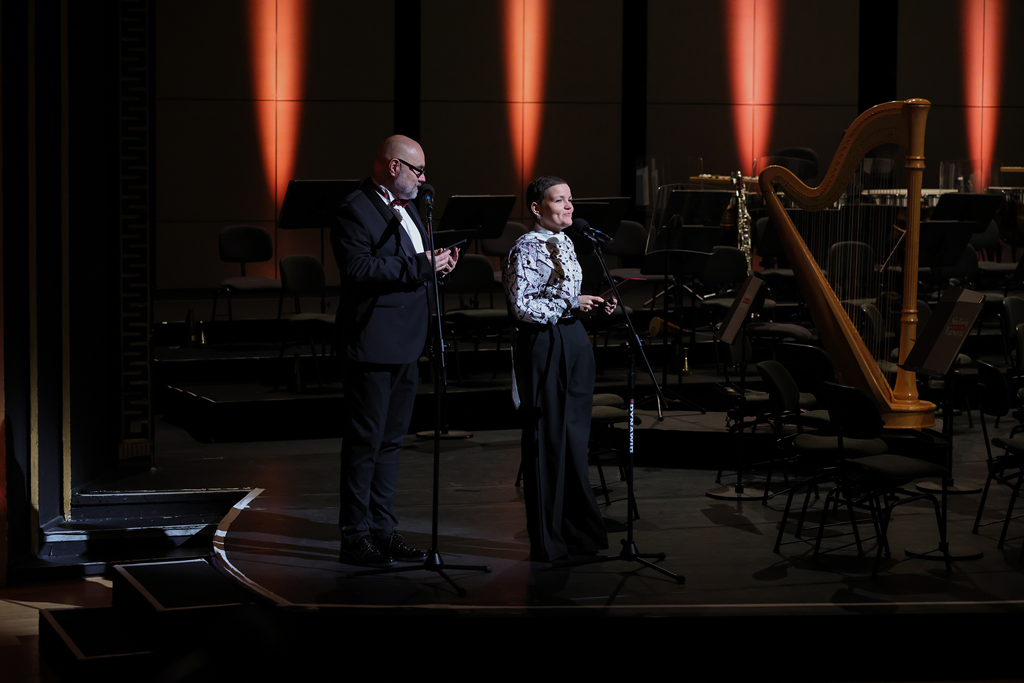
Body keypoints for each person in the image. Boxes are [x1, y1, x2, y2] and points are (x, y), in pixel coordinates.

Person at [331, 135, 459, 567]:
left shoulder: (412, 210)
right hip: (372, 342)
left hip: (408, 340)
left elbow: (414, 264)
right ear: (393, 167)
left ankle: (384, 531)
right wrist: (422, 264)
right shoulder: (355, 208)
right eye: (417, 170)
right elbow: (358, 268)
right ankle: (355, 536)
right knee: (365, 443)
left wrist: (438, 266)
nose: (423, 179)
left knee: (391, 442)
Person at [503, 176, 616, 562]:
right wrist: (570, 304)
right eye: (558, 200)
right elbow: (521, 306)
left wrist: (592, 305)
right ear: (537, 208)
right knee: (547, 439)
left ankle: (578, 534)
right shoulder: (524, 248)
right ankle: (549, 540)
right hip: (543, 344)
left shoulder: (567, 241)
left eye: (570, 199)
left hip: (573, 340)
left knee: (573, 439)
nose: (569, 206)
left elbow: (564, 296)